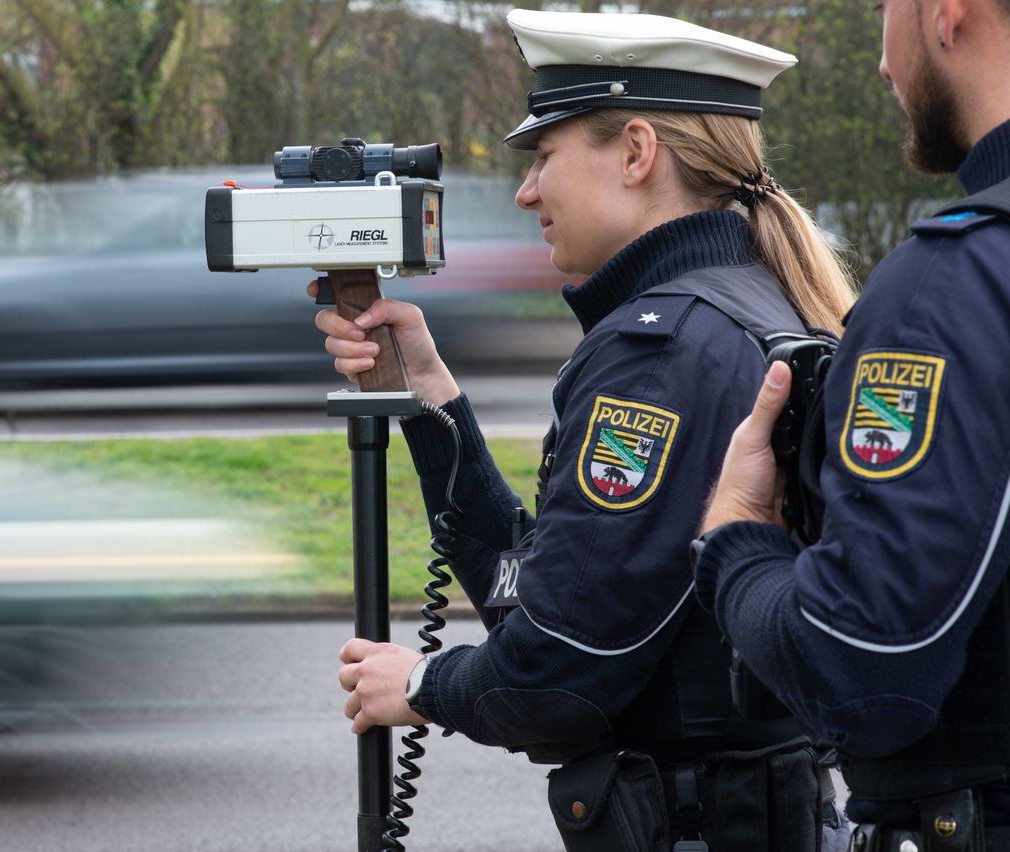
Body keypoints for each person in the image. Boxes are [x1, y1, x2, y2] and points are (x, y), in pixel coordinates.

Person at [318, 10, 860, 849]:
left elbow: (559, 671)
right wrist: (430, 397)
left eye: (544, 156)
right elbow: (549, 594)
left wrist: (423, 682)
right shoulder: (756, 299)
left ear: (637, 152)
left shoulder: (660, 351)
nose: (526, 191)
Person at [694, 0, 1010, 848]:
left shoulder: (951, 288)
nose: (880, 59)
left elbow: (866, 672)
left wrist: (736, 544)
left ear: (949, 14)